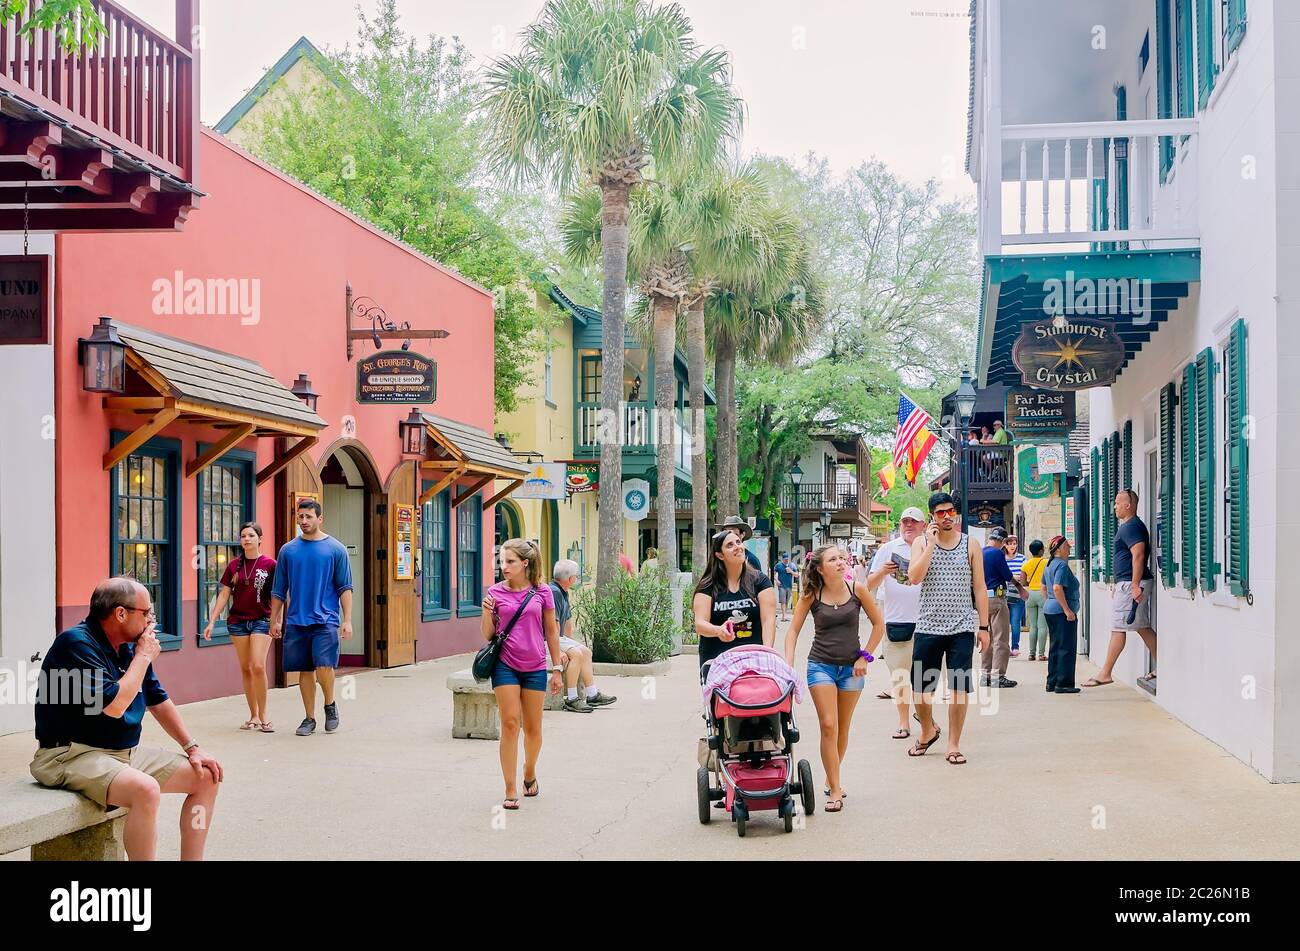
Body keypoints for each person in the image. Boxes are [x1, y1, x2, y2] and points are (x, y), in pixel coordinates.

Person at [31, 578, 223, 860]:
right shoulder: (76, 644)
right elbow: (115, 706)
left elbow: (157, 699)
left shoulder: (128, 647)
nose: (150, 621)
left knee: (207, 776)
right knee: (145, 789)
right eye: (146, 613)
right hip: (68, 756)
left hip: (121, 755)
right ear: (121, 613)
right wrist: (144, 656)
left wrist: (192, 747)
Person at [783, 545, 885, 812]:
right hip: (821, 667)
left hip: (852, 669)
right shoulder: (811, 594)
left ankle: (832, 777)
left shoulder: (857, 590)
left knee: (842, 726)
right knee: (829, 725)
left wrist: (866, 657)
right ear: (820, 568)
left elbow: (879, 624)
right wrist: (788, 664)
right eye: (833, 559)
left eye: (842, 558)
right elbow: (793, 631)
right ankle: (836, 790)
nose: (840, 562)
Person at [907, 492, 990, 765]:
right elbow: (914, 577)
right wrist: (931, 544)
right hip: (929, 624)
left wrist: (984, 625)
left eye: (950, 511)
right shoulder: (920, 543)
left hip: (962, 626)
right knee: (920, 690)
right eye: (940, 512)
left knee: (959, 688)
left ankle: (953, 744)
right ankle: (927, 730)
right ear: (931, 515)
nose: (946, 517)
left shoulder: (971, 544)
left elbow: (979, 586)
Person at [482, 538, 563, 809]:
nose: (503, 566)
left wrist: (557, 668)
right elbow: (488, 635)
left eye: (510, 561)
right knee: (509, 723)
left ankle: (529, 772)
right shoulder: (495, 592)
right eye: (501, 561)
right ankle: (510, 788)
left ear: (525, 563)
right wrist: (486, 612)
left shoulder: (542, 592)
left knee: (533, 729)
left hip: (535, 666)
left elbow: (551, 632)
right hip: (504, 665)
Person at [270, 498, 353, 736]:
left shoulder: (336, 549)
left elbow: (344, 587)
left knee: (324, 665)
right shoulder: (288, 550)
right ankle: (309, 718)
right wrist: (275, 619)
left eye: (308, 516)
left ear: (320, 518)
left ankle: (330, 704)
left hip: (326, 619)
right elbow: (278, 589)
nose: (304, 521)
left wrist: (347, 620)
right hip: (296, 619)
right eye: (300, 517)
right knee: (305, 670)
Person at [203, 521, 276, 732]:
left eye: (251, 535)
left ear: (260, 539)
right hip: (238, 622)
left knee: (258, 666)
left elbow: (278, 595)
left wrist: (277, 620)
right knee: (246, 668)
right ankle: (252, 715)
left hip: (262, 620)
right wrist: (212, 621)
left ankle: (264, 716)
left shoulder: (270, 565)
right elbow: (224, 594)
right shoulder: (234, 565)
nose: (246, 539)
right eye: (243, 535)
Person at [1085, 489, 1157, 689]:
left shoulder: (1131, 527)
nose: (1114, 506)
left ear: (1128, 505)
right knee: (1141, 627)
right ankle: (1164, 665)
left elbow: (1139, 555)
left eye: (1117, 503)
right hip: (1127, 583)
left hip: (1132, 583)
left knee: (1118, 628)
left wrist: (1133, 584)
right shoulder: (1128, 527)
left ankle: (1105, 672)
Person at [868, 507, 925, 740]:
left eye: (913, 522)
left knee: (924, 677)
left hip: (927, 623)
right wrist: (882, 571)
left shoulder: (930, 548)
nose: (908, 526)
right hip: (897, 621)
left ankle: (925, 718)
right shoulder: (888, 549)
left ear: (923, 525)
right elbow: (869, 584)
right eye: (905, 522)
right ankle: (904, 722)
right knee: (900, 677)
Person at [693, 528, 777, 667]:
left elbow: (768, 620)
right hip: (717, 661)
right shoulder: (707, 586)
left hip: (753, 660)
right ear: (720, 555)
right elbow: (700, 624)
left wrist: (767, 653)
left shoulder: (760, 581)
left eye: (738, 542)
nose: (737, 547)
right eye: (730, 545)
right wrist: (718, 631)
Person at [548, 559, 617, 712]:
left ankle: (592, 694)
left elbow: (567, 623)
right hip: (546, 638)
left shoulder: (562, 591)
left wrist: (570, 643)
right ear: (569, 579)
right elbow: (553, 624)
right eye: (576, 576)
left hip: (558, 637)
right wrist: (558, 650)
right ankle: (571, 698)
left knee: (586, 652)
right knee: (577, 655)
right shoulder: (554, 592)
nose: (577, 579)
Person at [980, 528, 1026, 688]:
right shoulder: (997, 553)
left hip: (982, 599)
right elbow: (1007, 575)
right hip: (997, 598)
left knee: (986, 637)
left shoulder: (980, 552)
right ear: (1002, 542)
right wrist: (1020, 588)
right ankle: (997, 676)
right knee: (1001, 639)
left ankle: (985, 674)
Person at [1042, 535, 1081, 694]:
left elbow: (1043, 586)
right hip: (1061, 612)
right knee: (1066, 647)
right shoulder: (1062, 566)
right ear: (1058, 549)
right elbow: (1057, 588)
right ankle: (1063, 683)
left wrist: (1049, 602)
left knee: (1055, 646)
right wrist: (1067, 610)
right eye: (1067, 546)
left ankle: (1052, 681)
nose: (1070, 548)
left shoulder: (1048, 564)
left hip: (1050, 609)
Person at [1020, 540, 1051, 661]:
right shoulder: (1047, 563)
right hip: (1043, 593)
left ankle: (1031, 653)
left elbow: (1023, 582)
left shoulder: (1026, 564)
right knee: (1042, 626)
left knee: (1033, 626)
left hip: (1030, 594)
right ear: (1042, 550)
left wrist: (1030, 582)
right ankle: (1041, 654)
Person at [1003, 534, 1025, 657]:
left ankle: (1015, 647)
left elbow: (1026, 575)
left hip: (1017, 595)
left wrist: (1019, 578)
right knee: (1004, 622)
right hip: (1004, 595)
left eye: (1014, 543)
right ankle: (1004, 646)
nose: (1012, 546)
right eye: (1010, 543)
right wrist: (1011, 578)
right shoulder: (1001, 558)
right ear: (1005, 545)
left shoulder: (1022, 558)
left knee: (1015, 621)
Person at [774, 552, 796, 621]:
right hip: (781, 586)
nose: (786, 560)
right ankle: (784, 616)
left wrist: (791, 571)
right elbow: (773, 573)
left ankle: (785, 615)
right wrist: (776, 580)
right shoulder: (778, 565)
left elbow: (797, 575)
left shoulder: (792, 565)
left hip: (789, 586)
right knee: (783, 601)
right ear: (782, 559)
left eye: (787, 559)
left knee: (786, 601)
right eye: (784, 559)